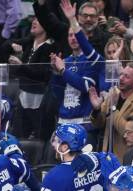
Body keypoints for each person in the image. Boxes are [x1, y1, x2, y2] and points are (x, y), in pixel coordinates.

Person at [49, 0, 104, 128]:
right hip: (63, 121)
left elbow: (86, 86)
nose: (73, 38)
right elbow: (58, 94)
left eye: (76, 35)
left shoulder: (93, 60)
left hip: (83, 122)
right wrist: (56, 73)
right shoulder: (65, 61)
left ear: (84, 38)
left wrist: (63, 71)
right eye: (70, 35)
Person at [7, 17, 55, 140]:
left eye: (38, 20)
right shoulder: (28, 42)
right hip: (24, 95)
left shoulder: (51, 47)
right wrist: (14, 49)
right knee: (18, 136)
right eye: (33, 19)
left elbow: (43, 74)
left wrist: (21, 65)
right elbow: (4, 44)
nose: (33, 22)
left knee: (40, 137)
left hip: (41, 97)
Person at [90, 63, 133, 159]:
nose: (121, 78)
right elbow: (98, 124)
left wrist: (113, 108)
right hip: (106, 153)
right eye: (121, 74)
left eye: (126, 76)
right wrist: (97, 110)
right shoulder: (114, 93)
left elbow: (127, 132)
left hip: (124, 157)